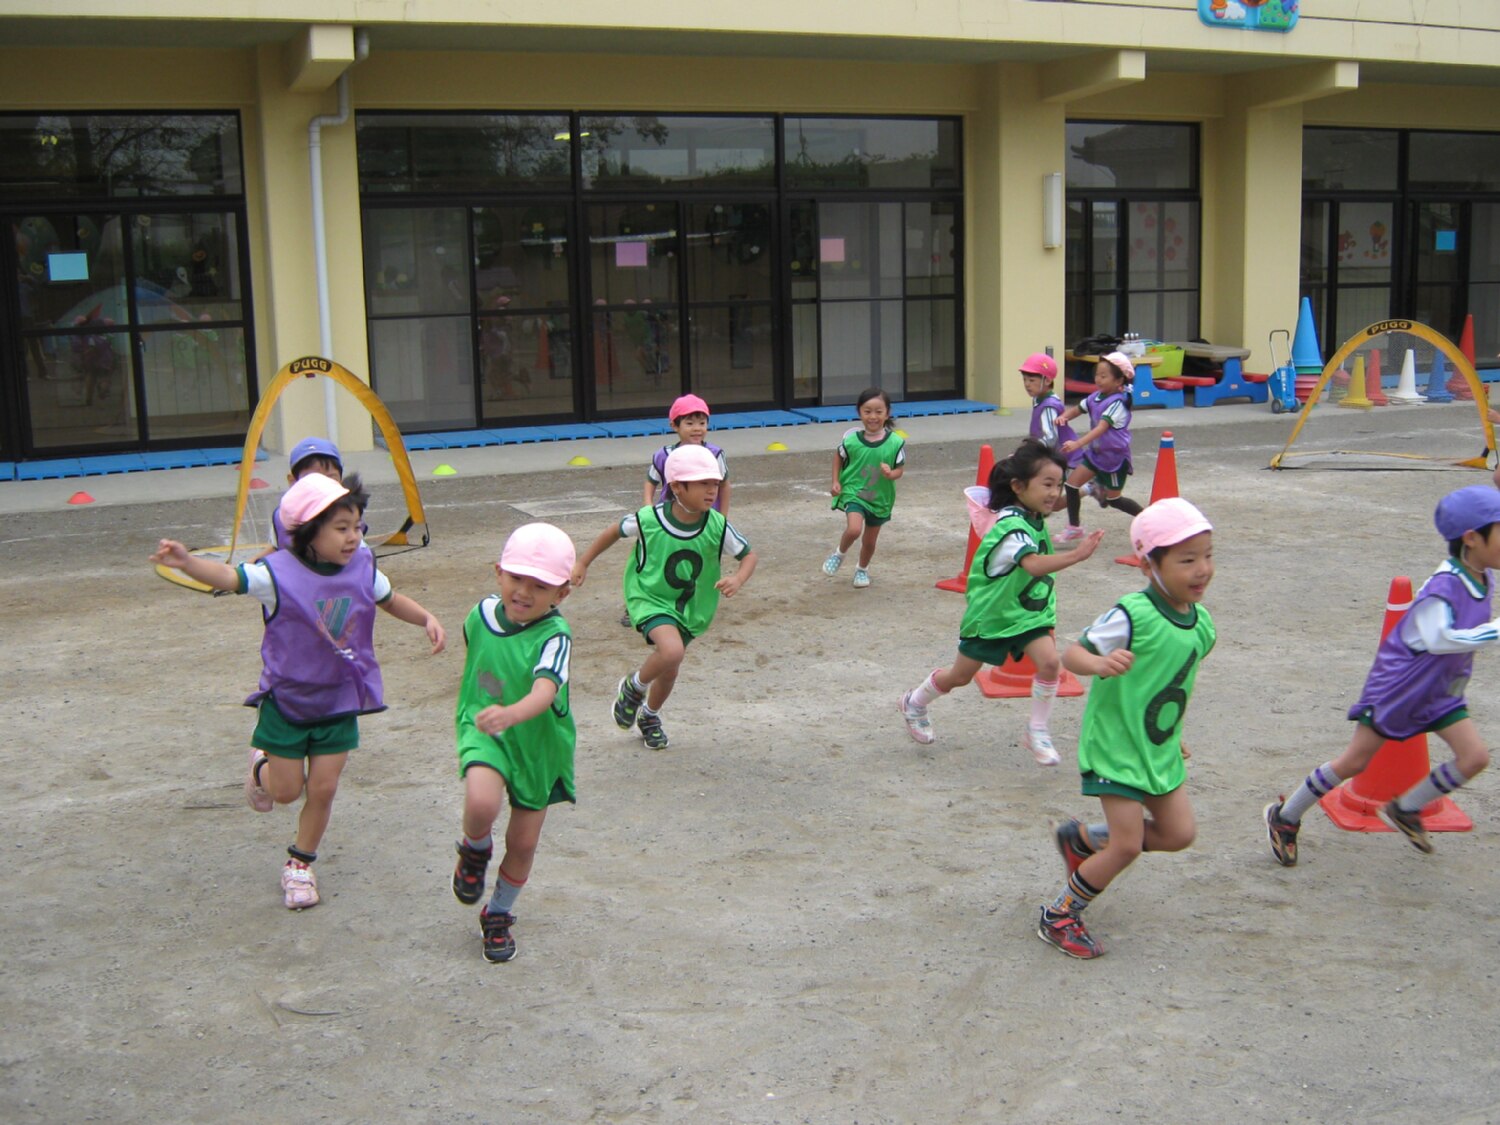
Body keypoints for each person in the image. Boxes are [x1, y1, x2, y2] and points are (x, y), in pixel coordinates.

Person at [150, 473, 446, 910]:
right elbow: (229, 577)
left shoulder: (363, 565)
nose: (354, 536)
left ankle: (300, 864)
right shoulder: (277, 575)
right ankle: (260, 769)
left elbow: (389, 599)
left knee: (323, 788)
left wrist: (425, 619)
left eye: (358, 526)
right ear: (309, 531)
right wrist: (187, 563)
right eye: (341, 528)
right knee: (287, 792)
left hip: (340, 698)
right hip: (288, 703)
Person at [1264, 485, 1500, 866]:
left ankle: (1406, 808)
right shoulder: (1444, 587)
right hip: (1398, 689)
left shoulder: (1483, 576)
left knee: (1474, 757)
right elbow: (1439, 639)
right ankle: (1285, 816)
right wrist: (1494, 631)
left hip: (1440, 692)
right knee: (1354, 762)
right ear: (1471, 538)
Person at [1039, 498, 1216, 959]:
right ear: (1147, 566)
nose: (1202, 569)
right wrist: (1099, 663)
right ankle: (1060, 915)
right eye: (1187, 560)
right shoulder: (1132, 614)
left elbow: (1169, 685)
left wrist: (1172, 734)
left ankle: (1080, 840)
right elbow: (1073, 653)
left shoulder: (1202, 626)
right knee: (1127, 845)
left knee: (1178, 834)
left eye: (1207, 555)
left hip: (1156, 748)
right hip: (1115, 748)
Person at [898, 438, 1104, 764]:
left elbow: (1057, 503)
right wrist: (1076, 555)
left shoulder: (1032, 511)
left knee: (1050, 664)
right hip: (991, 615)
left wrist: (1084, 490)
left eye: (1058, 484)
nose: (1054, 492)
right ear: (1018, 486)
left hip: (1025, 614)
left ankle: (1036, 730)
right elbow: (1033, 564)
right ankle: (915, 701)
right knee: (960, 676)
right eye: (1047, 484)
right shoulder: (1011, 527)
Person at [572, 445, 757, 750]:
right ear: (677, 487)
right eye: (703, 483)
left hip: (690, 608)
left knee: (670, 669)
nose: (712, 491)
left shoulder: (717, 525)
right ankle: (634, 687)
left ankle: (649, 715)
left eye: (714, 483)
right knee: (671, 651)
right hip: (649, 597)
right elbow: (613, 532)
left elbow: (749, 555)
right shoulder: (649, 520)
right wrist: (582, 562)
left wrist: (738, 578)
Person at [451, 523, 577, 963]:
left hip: (538, 744)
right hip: (485, 727)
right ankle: (475, 848)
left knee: (523, 843)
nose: (524, 592)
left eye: (540, 586)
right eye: (516, 578)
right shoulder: (480, 614)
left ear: (561, 593)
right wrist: (493, 710)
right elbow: (481, 659)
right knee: (482, 802)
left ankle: (498, 913)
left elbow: (545, 691)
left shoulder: (555, 636)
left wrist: (512, 712)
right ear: (498, 572)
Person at [619, 393, 731, 628]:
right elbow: (651, 480)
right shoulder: (664, 455)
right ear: (674, 425)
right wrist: (648, 505)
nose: (697, 428)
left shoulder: (714, 454)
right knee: (653, 560)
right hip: (666, 520)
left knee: (700, 562)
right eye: (689, 423)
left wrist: (722, 516)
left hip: (701, 522)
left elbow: (724, 484)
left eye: (702, 422)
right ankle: (639, 603)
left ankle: (689, 605)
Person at [822, 387, 906, 589]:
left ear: (887, 413)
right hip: (855, 493)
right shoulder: (851, 440)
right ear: (859, 412)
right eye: (867, 411)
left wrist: (890, 474)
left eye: (878, 411)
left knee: (869, 542)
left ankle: (862, 569)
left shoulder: (895, 442)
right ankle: (839, 554)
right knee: (854, 529)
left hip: (880, 498)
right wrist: (836, 481)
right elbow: (838, 456)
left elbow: (900, 470)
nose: (873, 416)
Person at [1057, 352, 1143, 533]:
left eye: (1104, 376)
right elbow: (1078, 409)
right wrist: (1063, 417)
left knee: (1114, 500)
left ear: (1119, 381)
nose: (1098, 379)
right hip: (1095, 455)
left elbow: (1101, 428)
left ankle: (1148, 517)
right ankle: (1074, 527)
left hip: (1113, 459)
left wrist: (1077, 444)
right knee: (1071, 485)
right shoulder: (1095, 397)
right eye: (1097, 374)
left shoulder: (1118, 404)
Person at [1020, 352, 1084, 535]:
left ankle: (1089, 490)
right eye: (1025, 380)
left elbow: (1050, 437)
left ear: (1047, 380)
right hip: (1053, 456)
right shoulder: (1040, 399)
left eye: (1032, 380)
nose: (1027, 384)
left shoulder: (1048, 405)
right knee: (1047, 499)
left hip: (1063, 456)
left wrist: (1029, 451)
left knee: (1047, 499)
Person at [269, 437, 347, 551]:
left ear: (341, 481)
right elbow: (276, 547)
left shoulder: (347, 513)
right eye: (312, 479)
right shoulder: (283, 516)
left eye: (331, 478)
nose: (323, 486)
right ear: (293, 482)